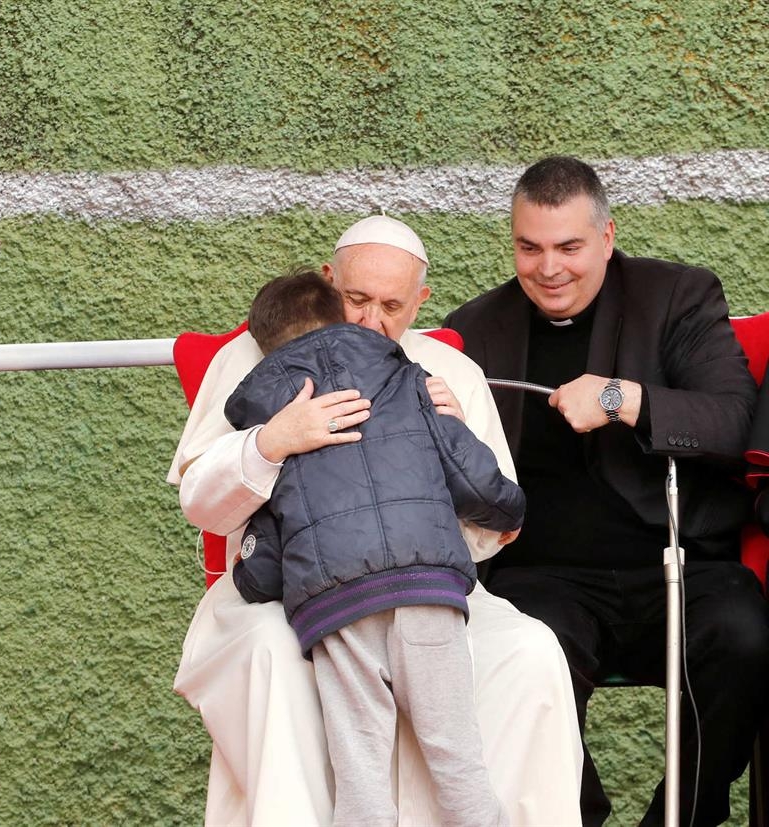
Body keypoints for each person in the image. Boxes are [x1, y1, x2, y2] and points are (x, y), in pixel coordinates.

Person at [168, 214, 584, 826]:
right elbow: (200, 503)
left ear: (422, 301)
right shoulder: (255, 359)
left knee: (530, 649)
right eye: (356, 298)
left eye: (393, 305)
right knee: (272, 656)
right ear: (329, 279)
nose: (371, 320)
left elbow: (492, 529)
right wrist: (270, 443)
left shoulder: (447, 374)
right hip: (285, 589)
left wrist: (451, 435)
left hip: (424, 581)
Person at [445, 155, 769, 827]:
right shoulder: (475, 328)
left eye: (569, 246)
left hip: (675, 565)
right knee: (512, 650)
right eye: (529, 247)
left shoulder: (678, 297)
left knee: (743, 634)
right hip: (543, 577)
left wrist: (623, 398)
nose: (549, 267)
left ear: (607, 237)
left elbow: (732, 422)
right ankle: (578, 814)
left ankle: (682, 816)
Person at [228, 269, 523, 825]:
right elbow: (466, 468)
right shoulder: (408, 380)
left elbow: (270, 537)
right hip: (425, 586)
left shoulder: (276, 422)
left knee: (359, 767)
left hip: (338, 608)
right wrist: (507, 509)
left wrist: (253, 579)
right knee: (454, 754)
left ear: (262, 345)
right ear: (342, 313)